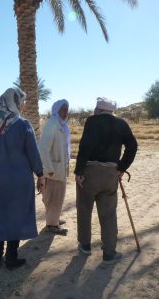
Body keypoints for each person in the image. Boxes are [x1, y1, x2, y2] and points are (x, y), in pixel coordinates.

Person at [0, 87, 45, 269]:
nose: (23, 105)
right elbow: (33, 154)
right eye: (22, 102)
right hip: (19, 181)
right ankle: (11, 258)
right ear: (15, 103)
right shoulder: (23, 125)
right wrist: (40, 174)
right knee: (16, 215)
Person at [75, 97, 138, 264]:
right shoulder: (121, 123)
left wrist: (79, 171)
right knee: (109, 213)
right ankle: (109, 253)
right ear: (111, 110)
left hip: (90, 172)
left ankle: (85, 245)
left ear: (98, 109)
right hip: (111, 173)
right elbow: (132, 146)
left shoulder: (91, 121)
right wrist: (121, 167)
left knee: (84, 208)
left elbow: (84, 146)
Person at [38, 99, 70, 235]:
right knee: (53, 197)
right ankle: (52, 225)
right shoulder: (52, 124)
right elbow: (43, 148)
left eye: (67, 110)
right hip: (53, 170)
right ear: (57, 110)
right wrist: (49, 168)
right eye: (63, 110)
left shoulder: (61, 125)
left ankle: (54, 219)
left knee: (57, 197)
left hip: (59, 167)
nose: (66, 113)